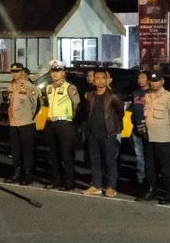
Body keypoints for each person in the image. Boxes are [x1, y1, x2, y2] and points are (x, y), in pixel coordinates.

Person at [137, 71, 170, 204]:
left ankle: (169, 192)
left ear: (162, 82)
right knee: (150, 167)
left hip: (163, 138)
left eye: (156, 81)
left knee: (166, 168)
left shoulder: (168, 97)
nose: (154, 83)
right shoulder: (147, 95)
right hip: (149, 136)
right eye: (152, 81)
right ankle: (151, 190)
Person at [83, 67, 123, 198]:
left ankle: (111, 187)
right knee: (95, 161)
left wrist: (114, 129)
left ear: (107, 80)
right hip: (93, 133)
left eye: (102, 78)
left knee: (109, 161)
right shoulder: (90, 96)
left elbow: (120, 113)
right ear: (93, 80)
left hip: (108, 134)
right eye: (97, 78)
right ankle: (96, 185)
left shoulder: (113, 96)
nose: (99, 80)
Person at [43, 61, 81, 190]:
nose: (54, 74)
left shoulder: (69, 87)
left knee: (66, 155)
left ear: (63, 73)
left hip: (65, 123)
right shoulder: (48, 87)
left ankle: (69, 183)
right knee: (53, 155)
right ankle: (56, 180)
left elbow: (77, 105)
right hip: (51, 122)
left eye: (58, 71)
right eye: (53, 71)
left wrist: (71, 119)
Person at [6, 65, 41, 185]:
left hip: (26, 122)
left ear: (22, 72)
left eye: (16, 71)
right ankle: (17, 172)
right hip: (13, 122)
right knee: (15, 149)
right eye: (12, 71)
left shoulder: (30, 87)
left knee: (27, 150)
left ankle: (27, 174)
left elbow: (36, 105)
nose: (14, 73)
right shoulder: (10, 86)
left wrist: (30, 118)